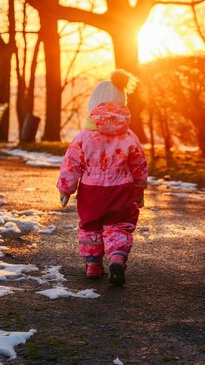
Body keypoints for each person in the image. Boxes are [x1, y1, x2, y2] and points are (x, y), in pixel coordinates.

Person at [57, 70, 148, 286]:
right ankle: (116, 258)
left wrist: (66, 189)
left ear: (94, 102)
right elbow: (139, 164)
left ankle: (92, 264)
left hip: (91, 191)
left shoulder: (84, 135)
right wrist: (139, 188)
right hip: (121, 189)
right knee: (119, 226)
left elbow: (72, 162)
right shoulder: (128, 135)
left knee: (90, 226)